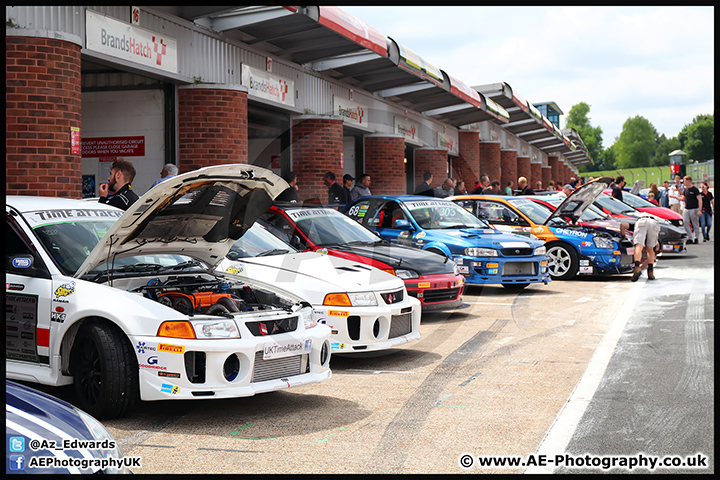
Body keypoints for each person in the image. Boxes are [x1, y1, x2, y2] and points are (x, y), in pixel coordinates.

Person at [630, 215, 660, 282]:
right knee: (650, 249)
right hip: (654, 222)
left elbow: (623, 225)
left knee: (639, 246)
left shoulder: (631, 222)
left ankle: (637, 268)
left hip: (642, 221)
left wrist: (623, 235)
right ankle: (650, 272)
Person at [681, 175, 702, 244]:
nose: (684, 182)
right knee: (685, 222)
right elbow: (683, 198)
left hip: (694, 208)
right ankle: (689, 237)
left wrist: (700, 210)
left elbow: (700, 199)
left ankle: (696, 237)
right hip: (687, 208)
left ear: (688, 181)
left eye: (684, 181)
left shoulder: (695, 190)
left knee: (695, 223)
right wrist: (675, 197)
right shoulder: (686, 189)